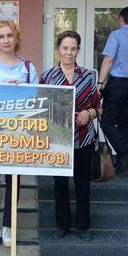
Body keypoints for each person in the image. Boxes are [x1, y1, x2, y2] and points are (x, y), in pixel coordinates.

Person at [0, 20, 38, 248]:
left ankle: (8, 226)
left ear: (16, 37)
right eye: (1, 36)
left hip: (18, 135)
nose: (6, 40)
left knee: (14, 179)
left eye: (10, 35)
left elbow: (37, 101)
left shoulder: (28, 68)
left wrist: (22, 92)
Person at [40, 31, 100, 241]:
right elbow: (40, 107)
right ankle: (62, 225)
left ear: (78, 51)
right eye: (65, 48)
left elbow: (99, 108)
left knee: (83, 184)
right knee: (60, 184)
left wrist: (89, 113)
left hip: (83, 139)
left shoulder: (88, 76)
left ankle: (83, 226)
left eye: (73, 49)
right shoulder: (47, 76)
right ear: (58, 49)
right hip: (58, 140)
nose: (69, 52)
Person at [98, 6, 128, 174]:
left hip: (117, 83)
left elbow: (109, 60)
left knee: (106, 122)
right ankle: (123, 161)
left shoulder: (116, 35)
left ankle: (125, 151)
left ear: (121, 19)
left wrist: (100, 83)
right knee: (123, 122)